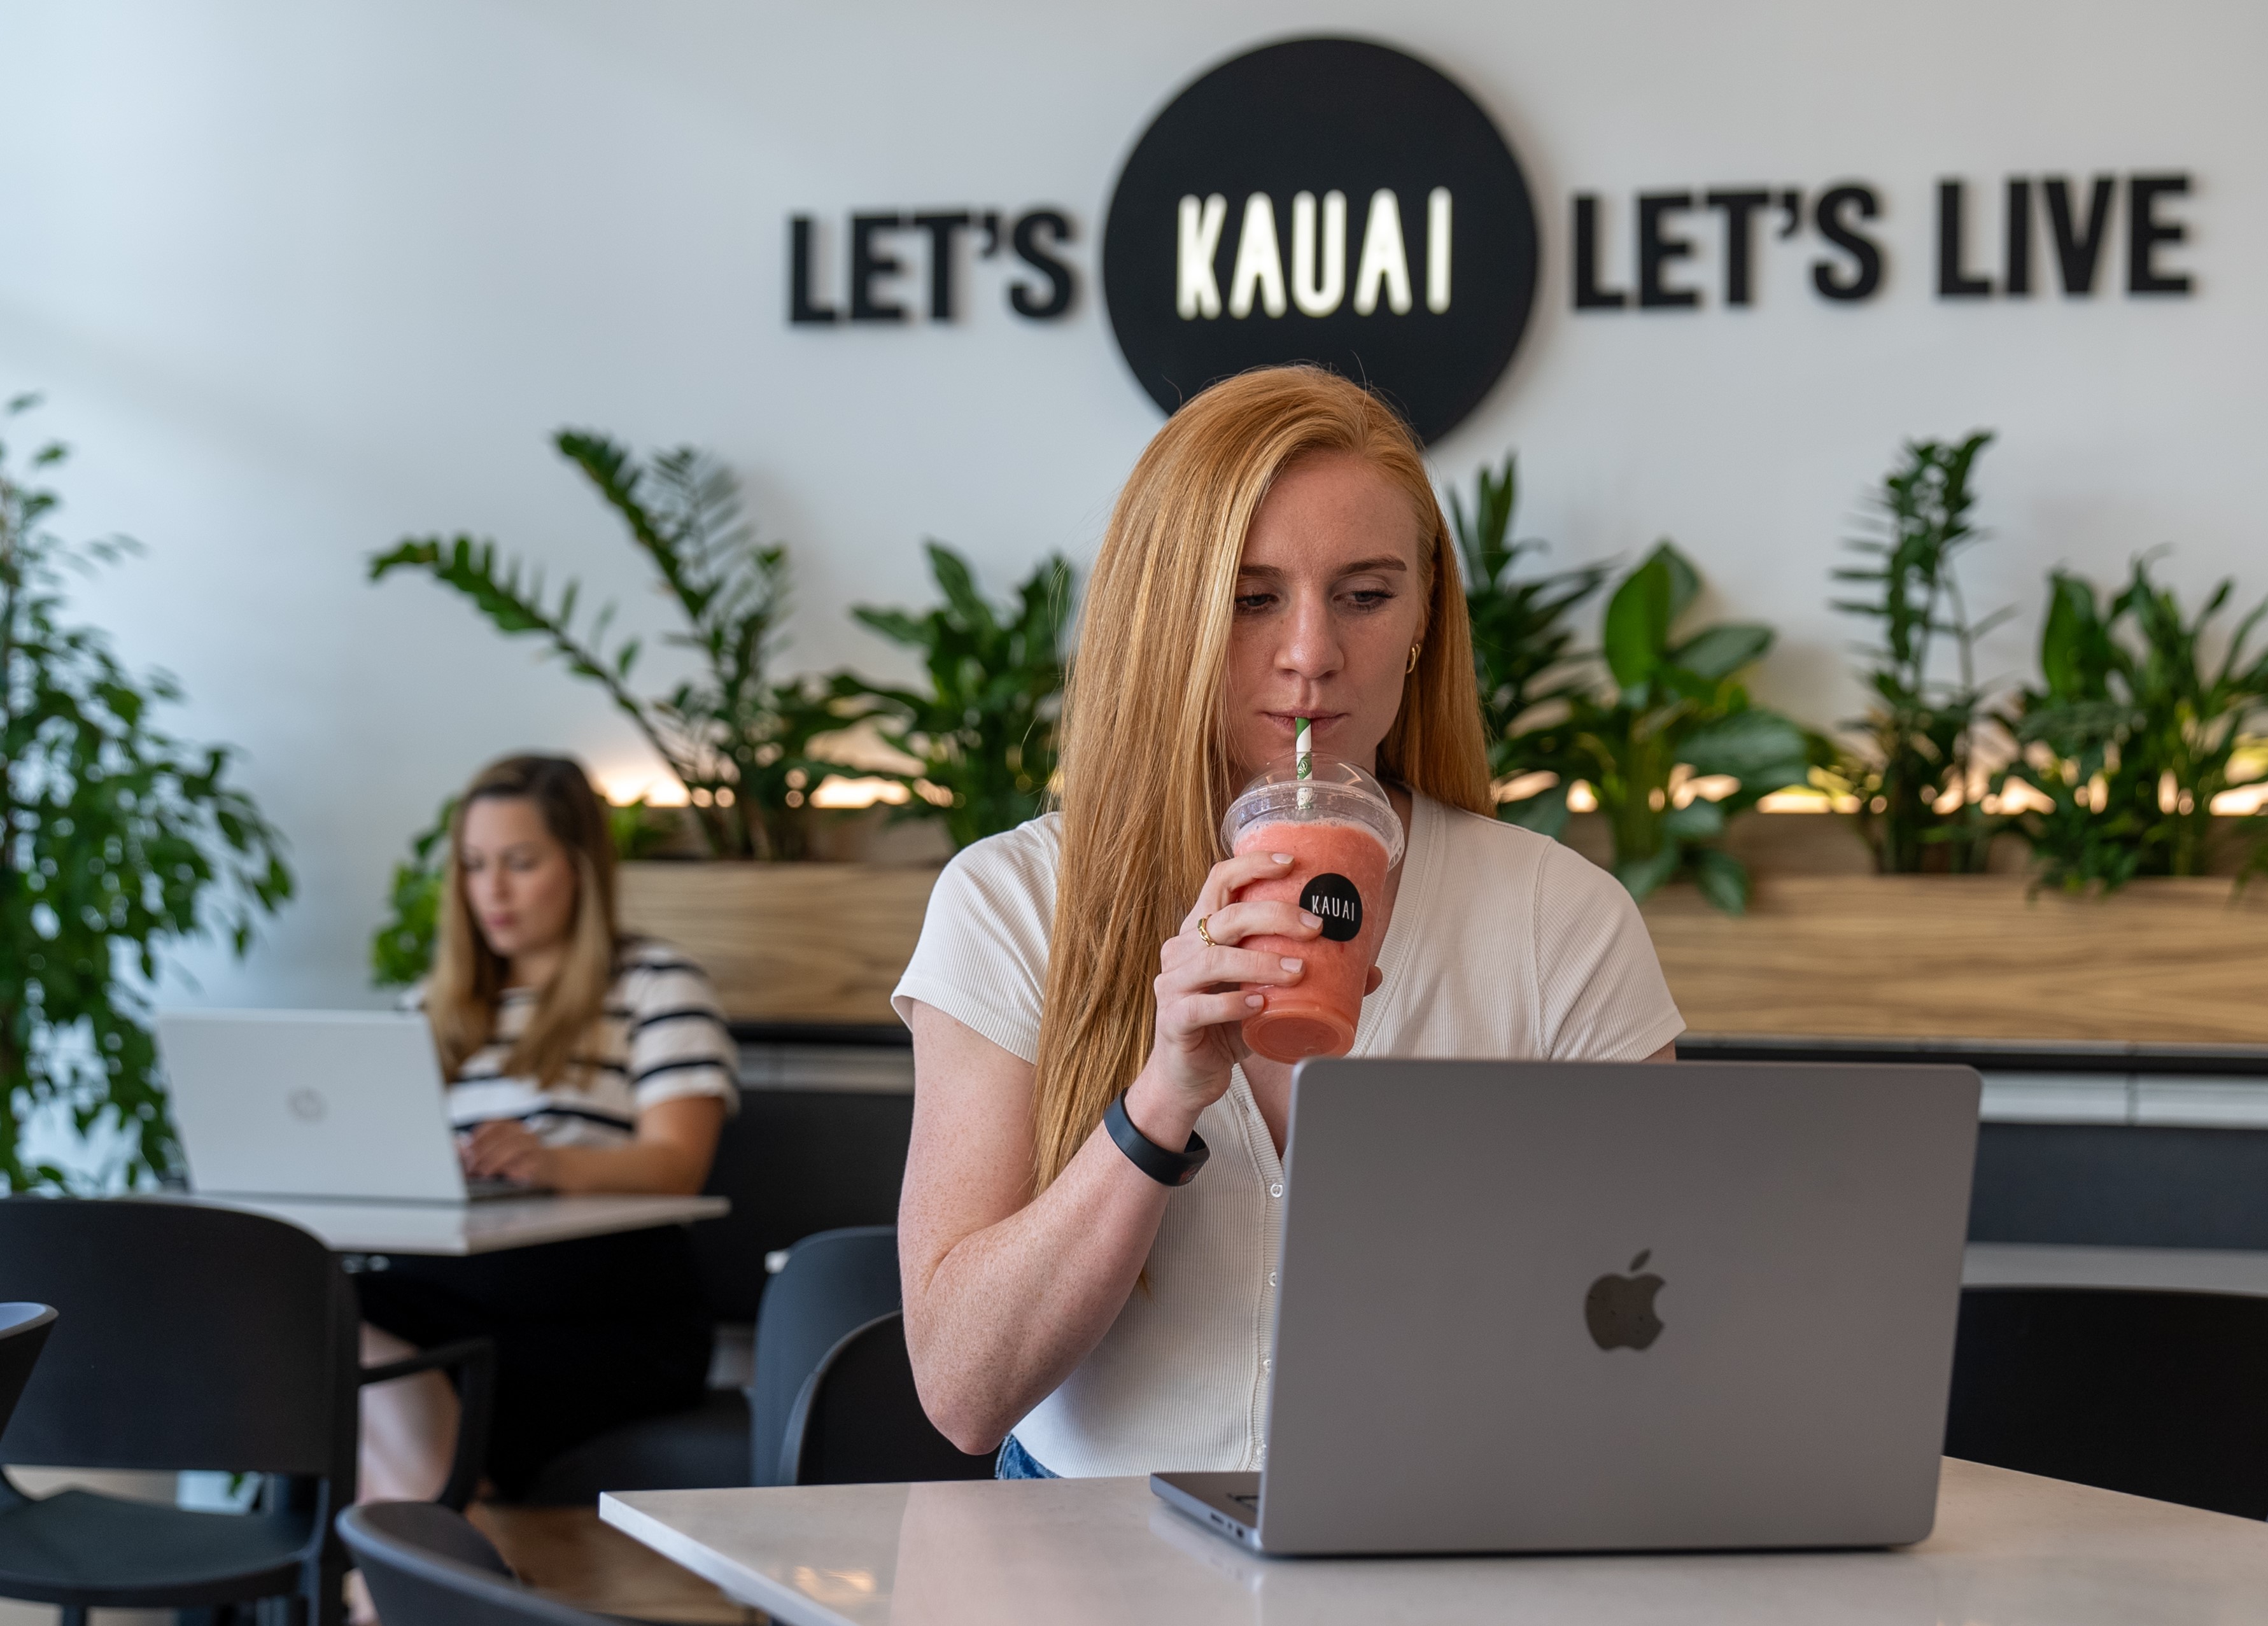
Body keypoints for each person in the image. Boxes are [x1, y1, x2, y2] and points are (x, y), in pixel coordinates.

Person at [894, 366, 1683, 1482]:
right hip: (1093, 1554)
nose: (1311, 652)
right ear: (1167, 616)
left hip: (1432, 1547)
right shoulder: (1013, 903)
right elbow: (965, 1394)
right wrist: (1162, 1094)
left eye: (1364, 596)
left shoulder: (1560, 919)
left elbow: (1659, 1324)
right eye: (1249, 597)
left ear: (1421, 620)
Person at [355, 754, 739, 1505]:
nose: (491, 890)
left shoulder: (657, 985)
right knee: (316, 1309)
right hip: (453, 1291)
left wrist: (551, 1162)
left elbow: (678, 1164)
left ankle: (412, 1572)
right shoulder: (424, 1015)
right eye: (473, 865)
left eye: (519, 862)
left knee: (361, 1354)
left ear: (580, 866)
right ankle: (453, 1546)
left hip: (604, 1304)